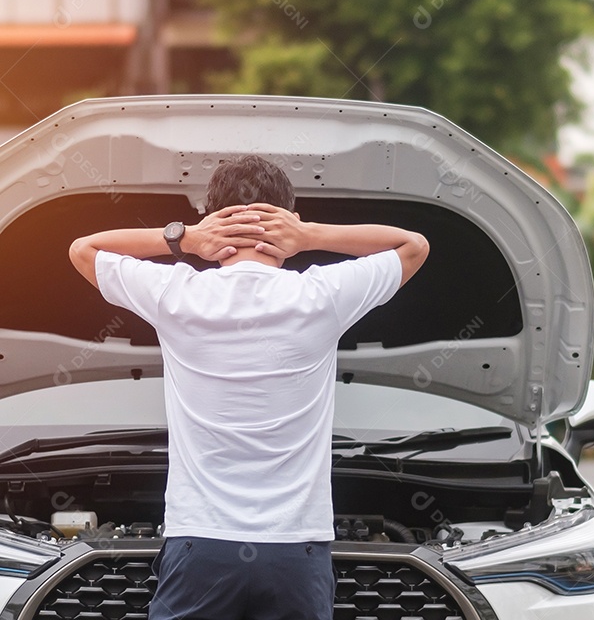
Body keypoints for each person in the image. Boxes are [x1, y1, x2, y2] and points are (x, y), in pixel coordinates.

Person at [68, 155, 429, 620]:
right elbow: (413, 246)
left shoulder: (176, 294)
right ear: (287, 218)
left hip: (200, 545)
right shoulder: (322, 296)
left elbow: (83, 250)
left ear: (212, 215)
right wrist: (312, 235)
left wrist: (182, 239)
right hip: (295, 552)